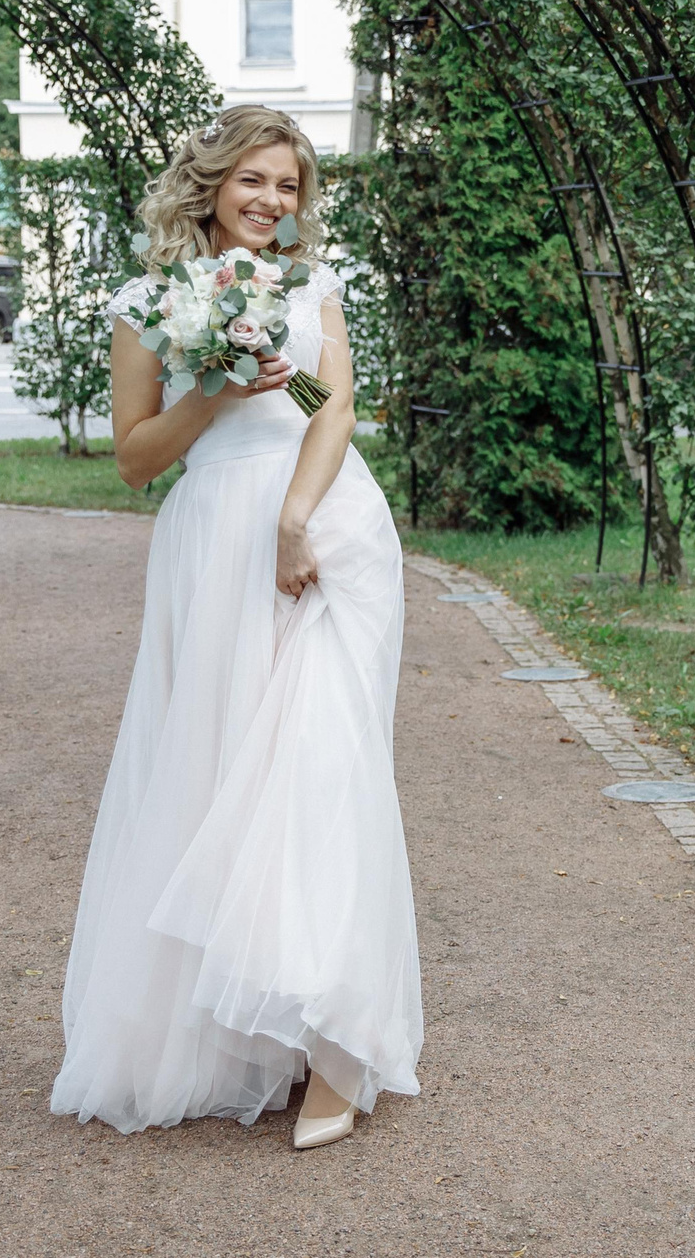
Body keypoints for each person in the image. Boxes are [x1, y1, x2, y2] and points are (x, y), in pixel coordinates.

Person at [52, 105, 420, 1150]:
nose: (271, 199)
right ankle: (247, 1029)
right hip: (213, 541)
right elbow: (135, 460)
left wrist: (296, 520)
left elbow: (328, 404)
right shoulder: (146, 302)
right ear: (211, 182)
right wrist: (214, 387)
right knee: (224, 775)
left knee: (321, 767)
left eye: (288, 185)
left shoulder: (311, 284)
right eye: (253, 179)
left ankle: (339, 1046)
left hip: (327, 531)